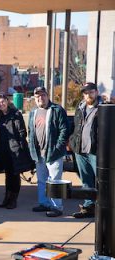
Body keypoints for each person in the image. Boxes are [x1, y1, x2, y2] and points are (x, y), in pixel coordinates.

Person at [28, 86, 69, 217]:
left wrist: (57, 148)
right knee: (41, 180)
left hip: (53, 153)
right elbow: (31, 131)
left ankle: (57, 207)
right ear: (35, 98)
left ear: (47, 95)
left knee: (55, 180)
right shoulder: (33, 112)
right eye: (37, 96)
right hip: (39, 154)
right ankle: (44, 203)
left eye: (43, 95)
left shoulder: (57, 110)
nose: (40, 98)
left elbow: (64, 130)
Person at [0, 95, 34, 209]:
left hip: (15, 151)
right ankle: (7, 198)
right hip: (4, 151)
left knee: (15, 176)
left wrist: (20, 148)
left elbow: (22, 132)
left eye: (3, 101)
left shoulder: (15, 114)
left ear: (7, 101)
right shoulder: (1, 117)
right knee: (8, 175)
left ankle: (13, 200)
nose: (1, 104)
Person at [69, 82, 102, 218]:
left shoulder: (103, 108)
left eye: (91, 92)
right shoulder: (80, 107)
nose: (88, 95)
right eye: (86, 93)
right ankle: (89, 208)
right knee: (86, 180)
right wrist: (71, 141)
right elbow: (76, 127)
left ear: (96, 92)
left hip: (95, 151)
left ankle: (103, 208)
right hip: (80, 150)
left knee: (100, 181)